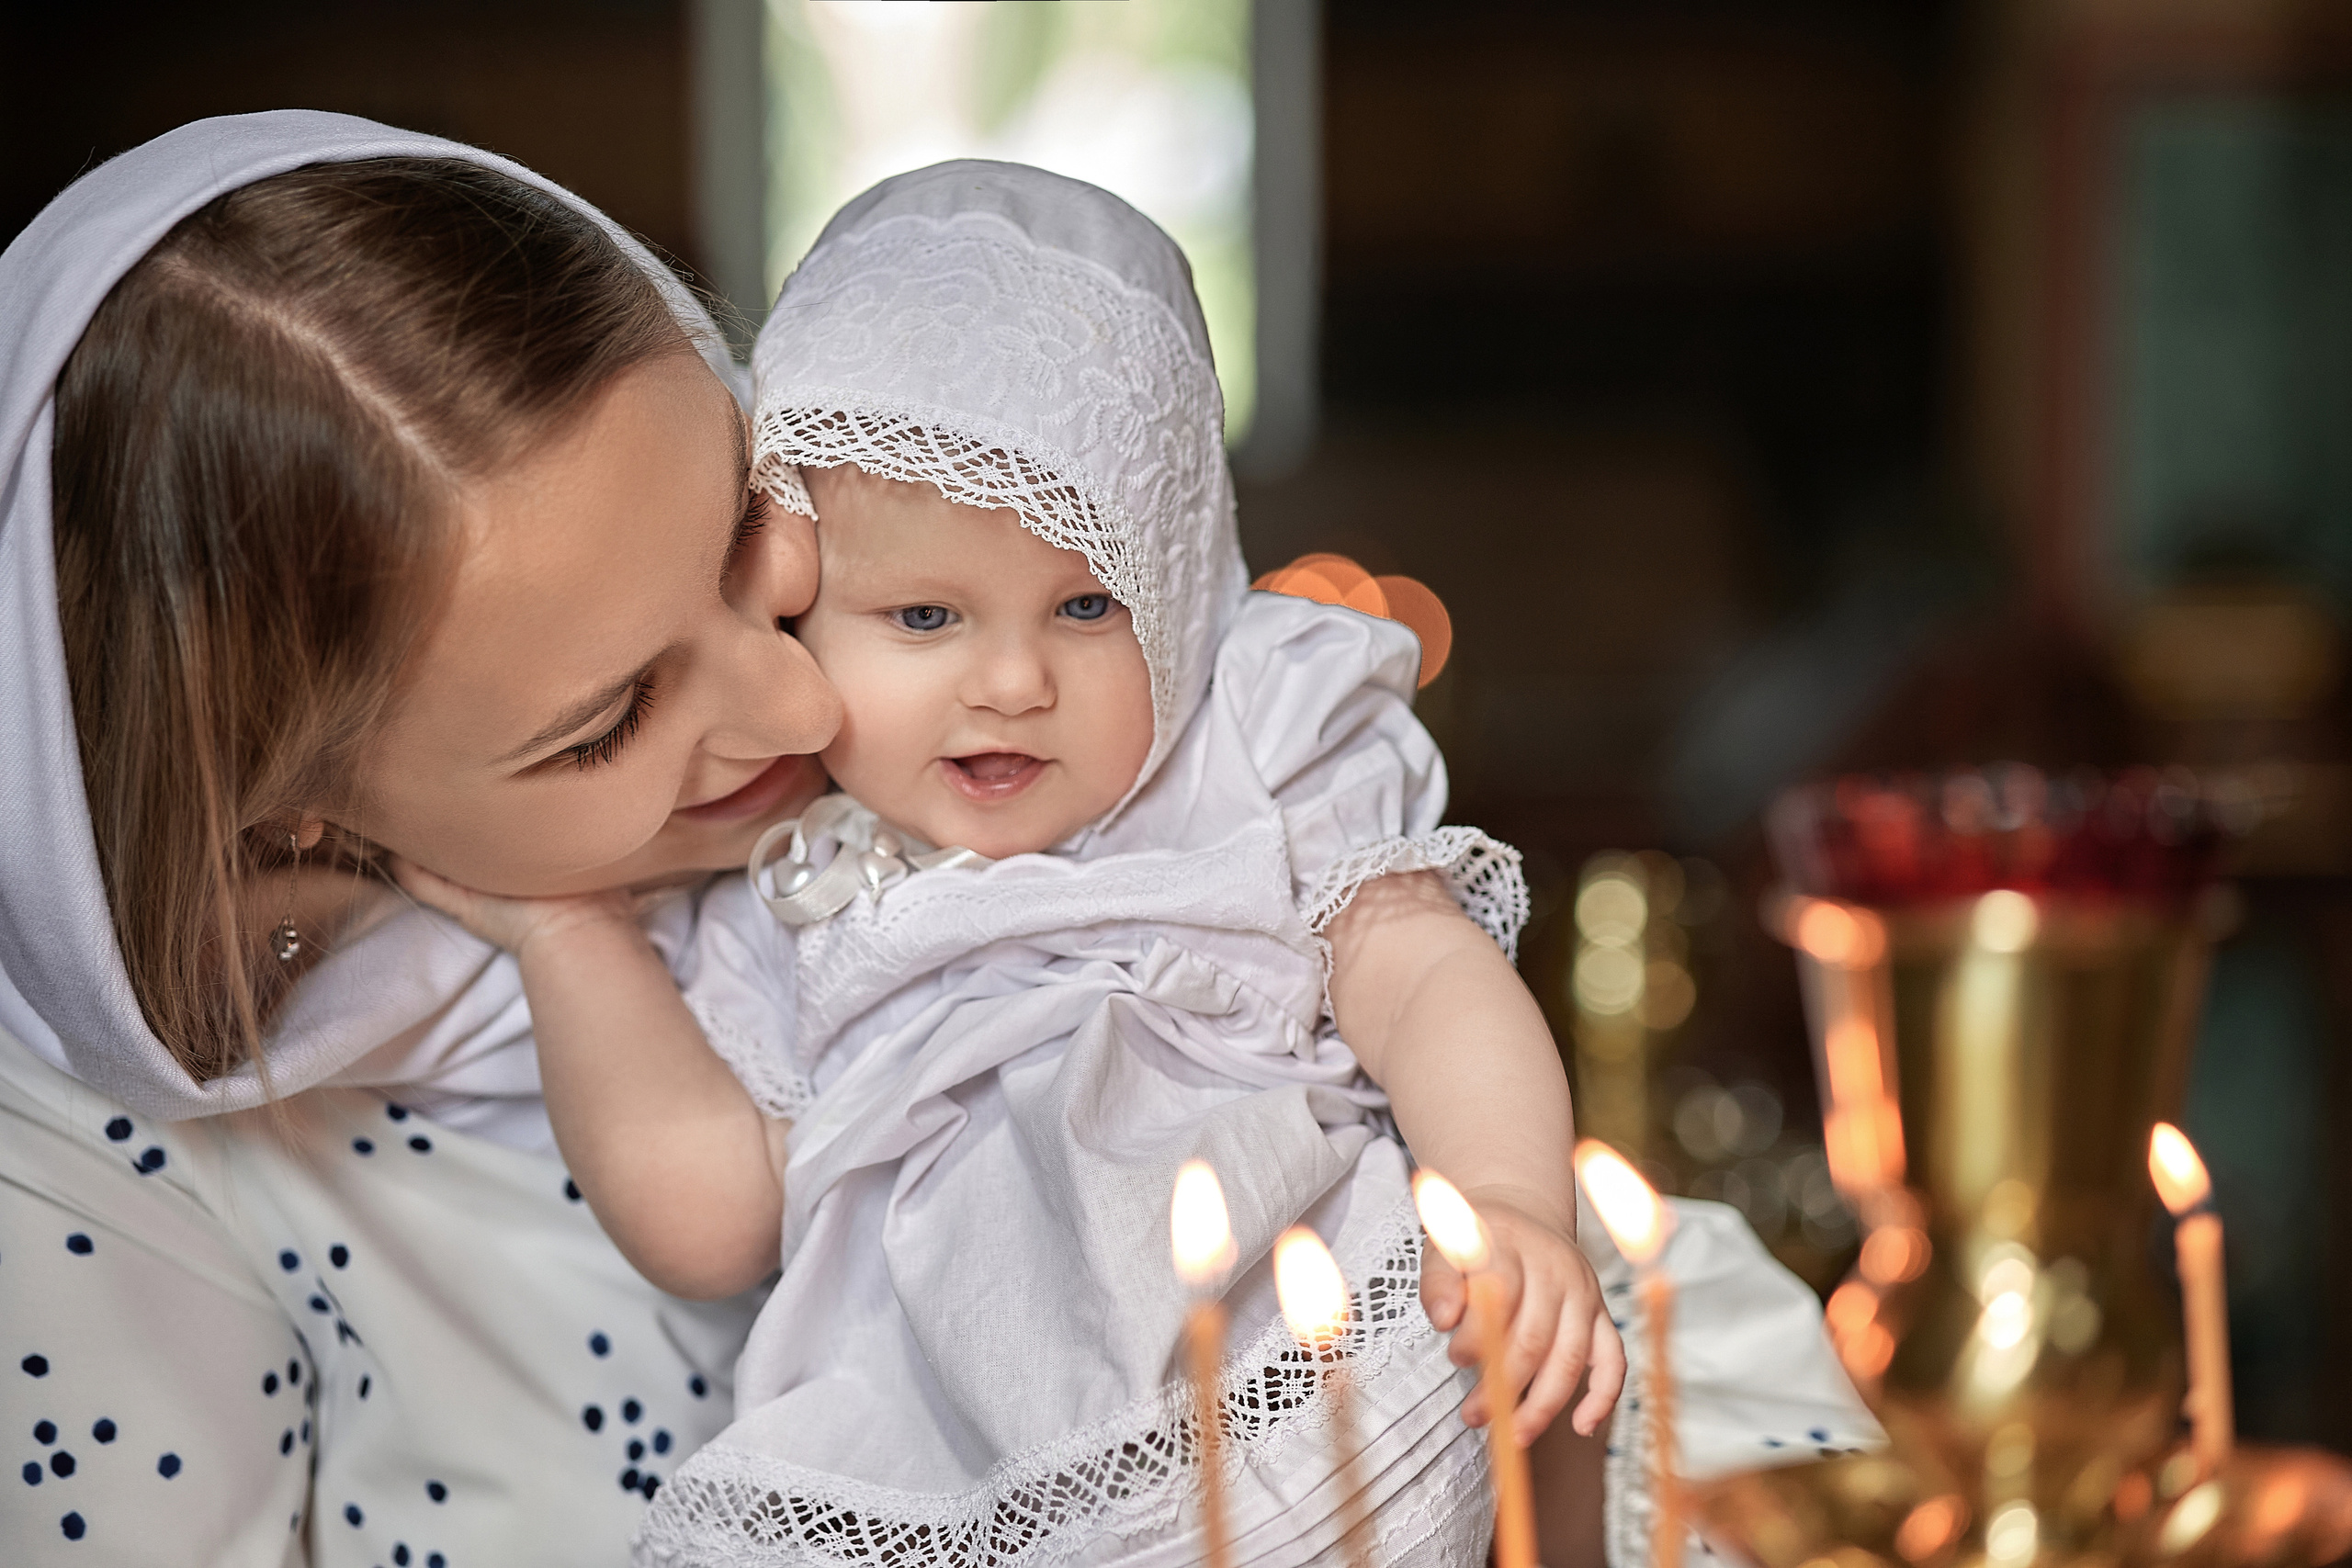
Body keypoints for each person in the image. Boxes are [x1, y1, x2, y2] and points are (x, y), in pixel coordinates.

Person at [401, 164, 1879, 1568]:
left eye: (1089, 605)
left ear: (1180, 584)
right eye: (923, 618)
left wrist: (1506, 1200)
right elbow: (712, 1209)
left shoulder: (1248, 741)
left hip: (1299, 1350)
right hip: (942, 1458)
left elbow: (1423, 969)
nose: (1010, 681)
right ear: (791, 612)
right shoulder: (806, 870)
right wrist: (564, 938)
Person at [0, 111, 843, 1565]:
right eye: (604, 724)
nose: (803, 695)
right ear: (293, 807)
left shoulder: (997, 729)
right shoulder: (95, 1172)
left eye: (744, 526)